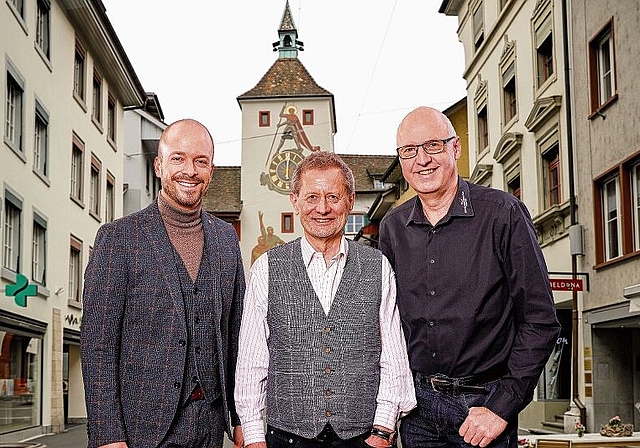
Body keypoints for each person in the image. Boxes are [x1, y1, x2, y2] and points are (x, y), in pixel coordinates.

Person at [378, 107, 560, 448]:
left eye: (433, 145)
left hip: (483, 407)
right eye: (409, 151)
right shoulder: (392, 228)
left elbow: (540, 320)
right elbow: (385, 325)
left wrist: (501, 407)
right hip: (417, 412)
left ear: (456, 148)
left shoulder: (502, 213)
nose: (422, 160)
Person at [81, 119, 245, 448]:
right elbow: (99, 346)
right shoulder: (118, 238)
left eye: (201, 161)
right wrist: (107, 436)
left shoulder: (227, 239)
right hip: (140, 430)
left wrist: (240, 418)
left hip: (210, 426)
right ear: (159, 165)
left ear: (211, 171)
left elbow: (235, 335)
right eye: (178, 158)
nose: (190, 170)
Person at [234, 151, 416, 448]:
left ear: (349, 200)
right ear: (295, 200)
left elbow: (393, 356)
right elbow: (252, 362)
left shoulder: (377, 266)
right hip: (288, 438)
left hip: (364, 438)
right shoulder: (267, 268)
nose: (323, 208)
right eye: (312, 197)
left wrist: (383, 431)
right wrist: (254, 436)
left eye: (333, 197)